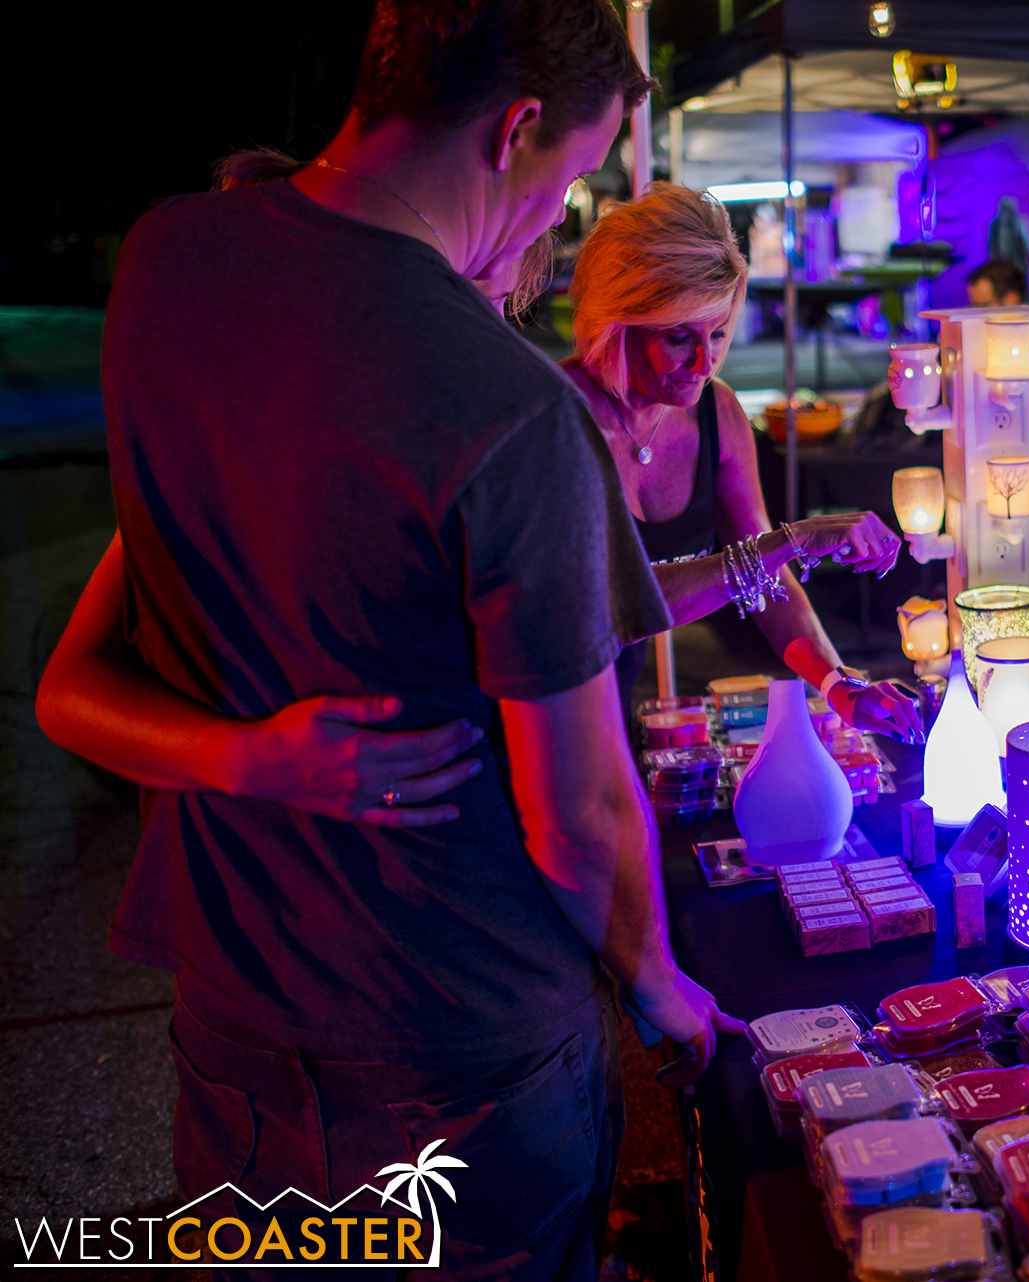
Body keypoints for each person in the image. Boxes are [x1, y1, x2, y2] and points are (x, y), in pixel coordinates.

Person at [34, 2, 742, 1274]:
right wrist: (663, 993)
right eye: (572, 177)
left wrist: (254, 758)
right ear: (519, 127)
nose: (549, 223)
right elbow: (575, 814)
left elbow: (78, 678)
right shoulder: (513, 408)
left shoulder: (165, 266)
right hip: (460, 1046)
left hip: (237, 1018)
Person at [561, 185, 923, 741]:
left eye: (720, 333)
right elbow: (607, 601)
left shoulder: (718, 412)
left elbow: (767, 581)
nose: (704, 362)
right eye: (679, 336)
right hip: (536, 708)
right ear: (618, 324)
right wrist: (791, 540)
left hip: (617, 705)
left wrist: (836, 682)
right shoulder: (556, 416)